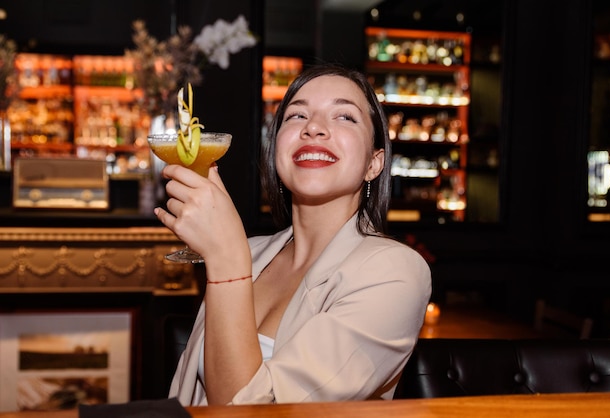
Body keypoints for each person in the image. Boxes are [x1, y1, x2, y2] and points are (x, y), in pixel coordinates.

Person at [156, 63, 432, 405]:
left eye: (344, 117)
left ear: (374, 163)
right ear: (276, 152)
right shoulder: (251, 253)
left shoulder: (395, 272)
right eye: (296, 116)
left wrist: (226, 261)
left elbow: (251, 412)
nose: (314, 128)